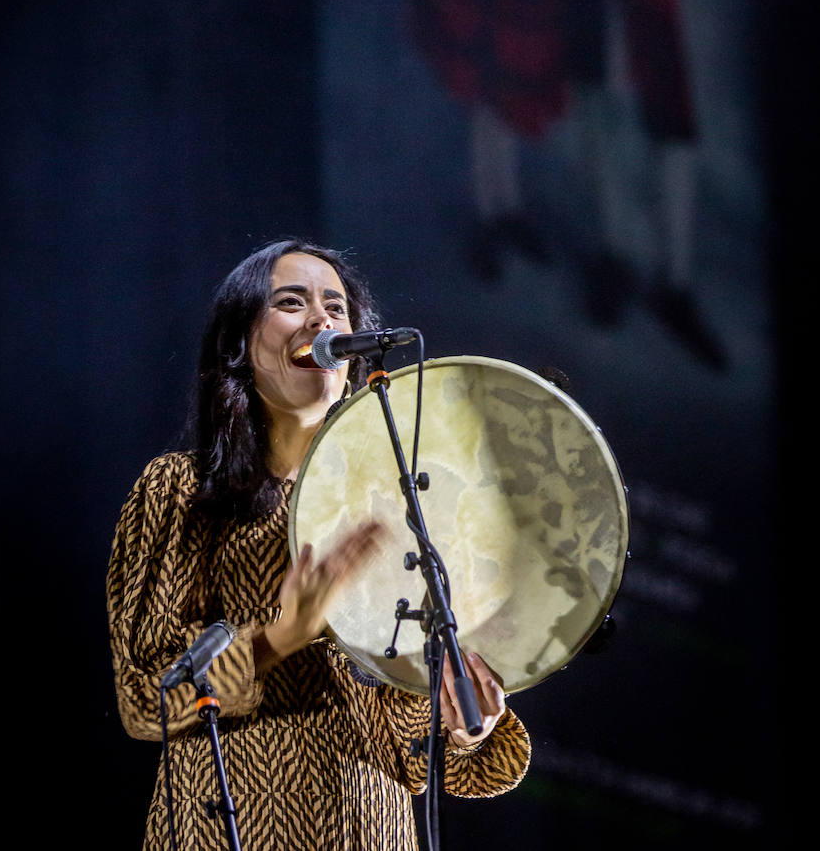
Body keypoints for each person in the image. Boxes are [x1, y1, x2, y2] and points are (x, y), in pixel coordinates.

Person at [107, 238, 531, 849]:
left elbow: (411, 757)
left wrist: (464, 725)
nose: (321, 321)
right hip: (227, 826)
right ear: (238, 343)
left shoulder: (399, 512)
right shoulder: (179, 490)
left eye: (336, 308)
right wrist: (280, 638)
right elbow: (146, 698)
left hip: (370, 828)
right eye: (290, 301)